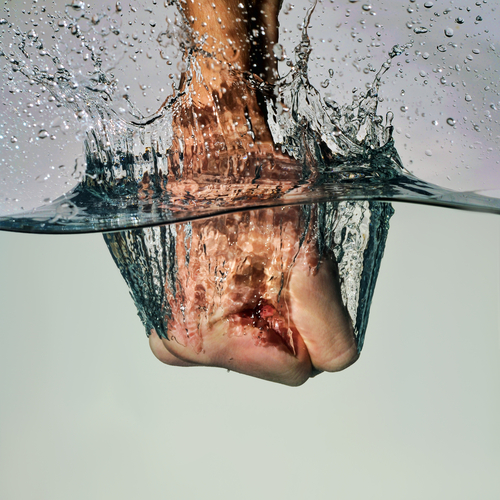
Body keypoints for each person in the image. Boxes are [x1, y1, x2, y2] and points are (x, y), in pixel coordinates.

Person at [105, 0, 360, 386]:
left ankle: (253, 270)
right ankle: (235, 294)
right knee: (238, 80)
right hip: (231, 202)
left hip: (238, 194)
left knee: (230, 85)